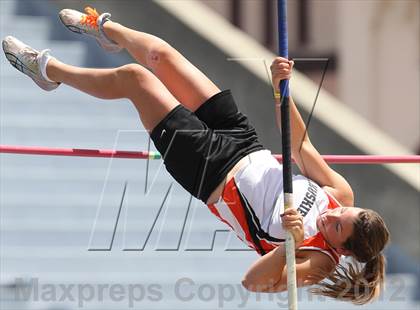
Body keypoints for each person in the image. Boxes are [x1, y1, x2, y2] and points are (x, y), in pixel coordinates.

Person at [2, 6, 389, 305]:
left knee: (136, 81)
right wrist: (280, 92)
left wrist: (292, 242)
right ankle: (107, 30)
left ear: (341, 248)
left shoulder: (320, 261)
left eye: (338, 226)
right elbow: (300, 147)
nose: (334, 213)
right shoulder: (342, 194)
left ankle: (47, 70)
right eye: (343, 214)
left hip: (210, 173)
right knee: (161, 57)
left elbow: (254, 282)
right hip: (243, 140)